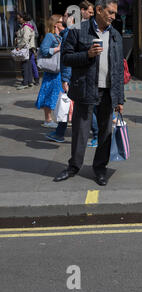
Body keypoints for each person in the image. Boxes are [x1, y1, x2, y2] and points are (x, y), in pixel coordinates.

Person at [54, 0, 124, 187]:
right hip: (85, 89)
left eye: (115, 13)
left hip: (108, 92)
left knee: (105, 133)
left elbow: (117, 69)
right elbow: (66, 58)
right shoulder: (78, 30)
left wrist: (120, 98)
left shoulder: (115, 35)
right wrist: (87, 55)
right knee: (80, 132)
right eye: (110, 12)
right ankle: (74, 167)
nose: (113, 16)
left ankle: (100, 168)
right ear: (99, 10)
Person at [45, 7, 75, 143]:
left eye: (64, 16)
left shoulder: (70, 33)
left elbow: (67, 59)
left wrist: (65, 79)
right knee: (67, 103)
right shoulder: (68, 32)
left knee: (83, 107)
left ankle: (97, 132)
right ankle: (59, 132)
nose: (62, 19)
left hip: (72, 75)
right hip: (69, 74)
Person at [35, 14, 65, 129]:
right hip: (52, 71)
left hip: (59, 71)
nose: (64, 24)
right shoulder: (50, 36)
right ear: (55, 24)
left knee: (58, 95)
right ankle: (48, 120)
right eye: (62, 22)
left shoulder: (60, 37)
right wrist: (58, 49)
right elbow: (43, 50)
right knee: (49, 94)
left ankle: (59, 118)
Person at [15, 12, 37, 90]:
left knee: (24, 66)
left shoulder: (26, 27)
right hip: (29, 49)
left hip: (26, 49)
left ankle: (25, 83)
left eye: (19, 18)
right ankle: (29, 81)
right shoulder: (26, 26)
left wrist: (19, 47)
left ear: (23, 18)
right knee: (28, 65)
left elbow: (25, 39)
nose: (18, 20)